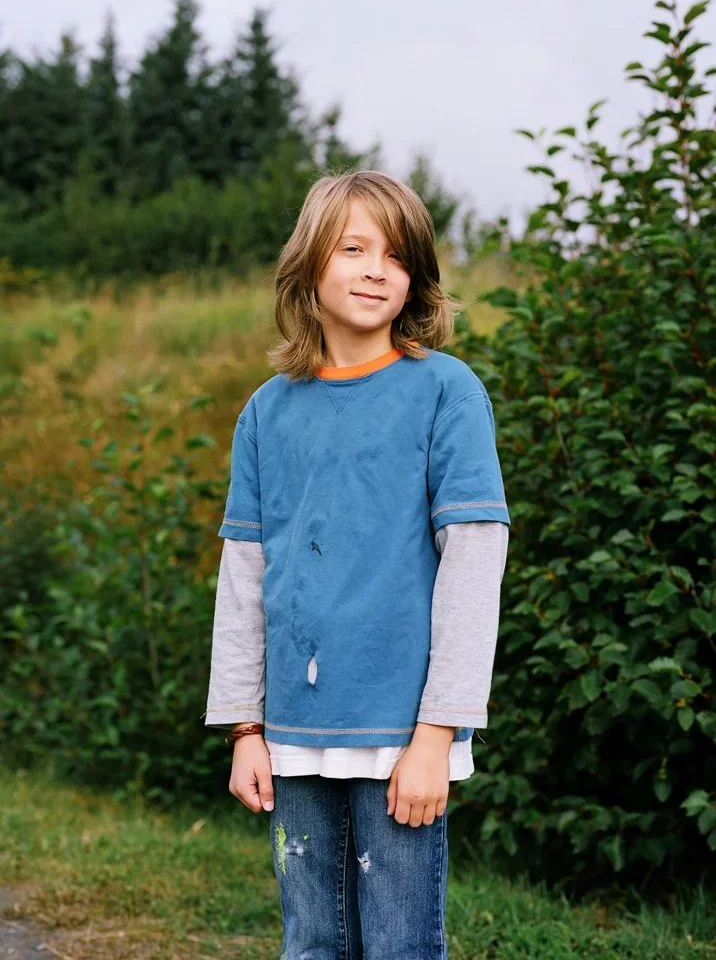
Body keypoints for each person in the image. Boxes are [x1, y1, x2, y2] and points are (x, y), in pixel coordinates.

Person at [203, 169, 510, 959]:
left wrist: (439, 735)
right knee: (310, 944)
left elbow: (474, 566)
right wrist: (244, 727)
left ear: (416, 279)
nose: (377, 269)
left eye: (397, 255)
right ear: (310, 264)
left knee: (401, 946)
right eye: (353, 248)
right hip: (291, 732)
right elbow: (245, 575)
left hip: (402, 732)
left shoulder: (447, 391)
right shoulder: (268, 409)